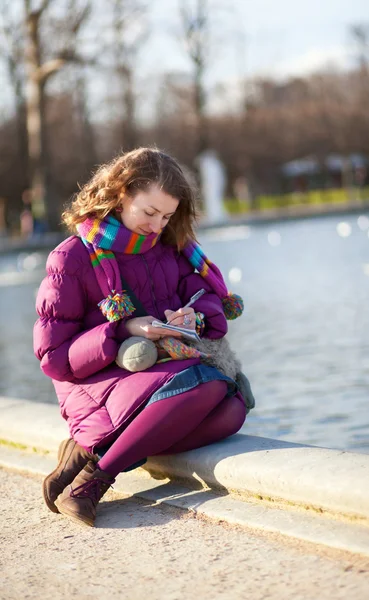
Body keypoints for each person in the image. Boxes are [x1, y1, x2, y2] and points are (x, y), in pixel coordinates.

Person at [33, 147, 250, 528]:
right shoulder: (71, 258)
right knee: (205, 384)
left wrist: (195, 316)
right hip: (96, 378)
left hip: (162, 371)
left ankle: (90, 449)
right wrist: (123, 329)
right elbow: (54, 357)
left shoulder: (174, 250)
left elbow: (215, 311)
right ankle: (93, 481)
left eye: (166, 216)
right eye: (149, 213)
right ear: (120, 194)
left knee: (233, 408)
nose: (157, 226)